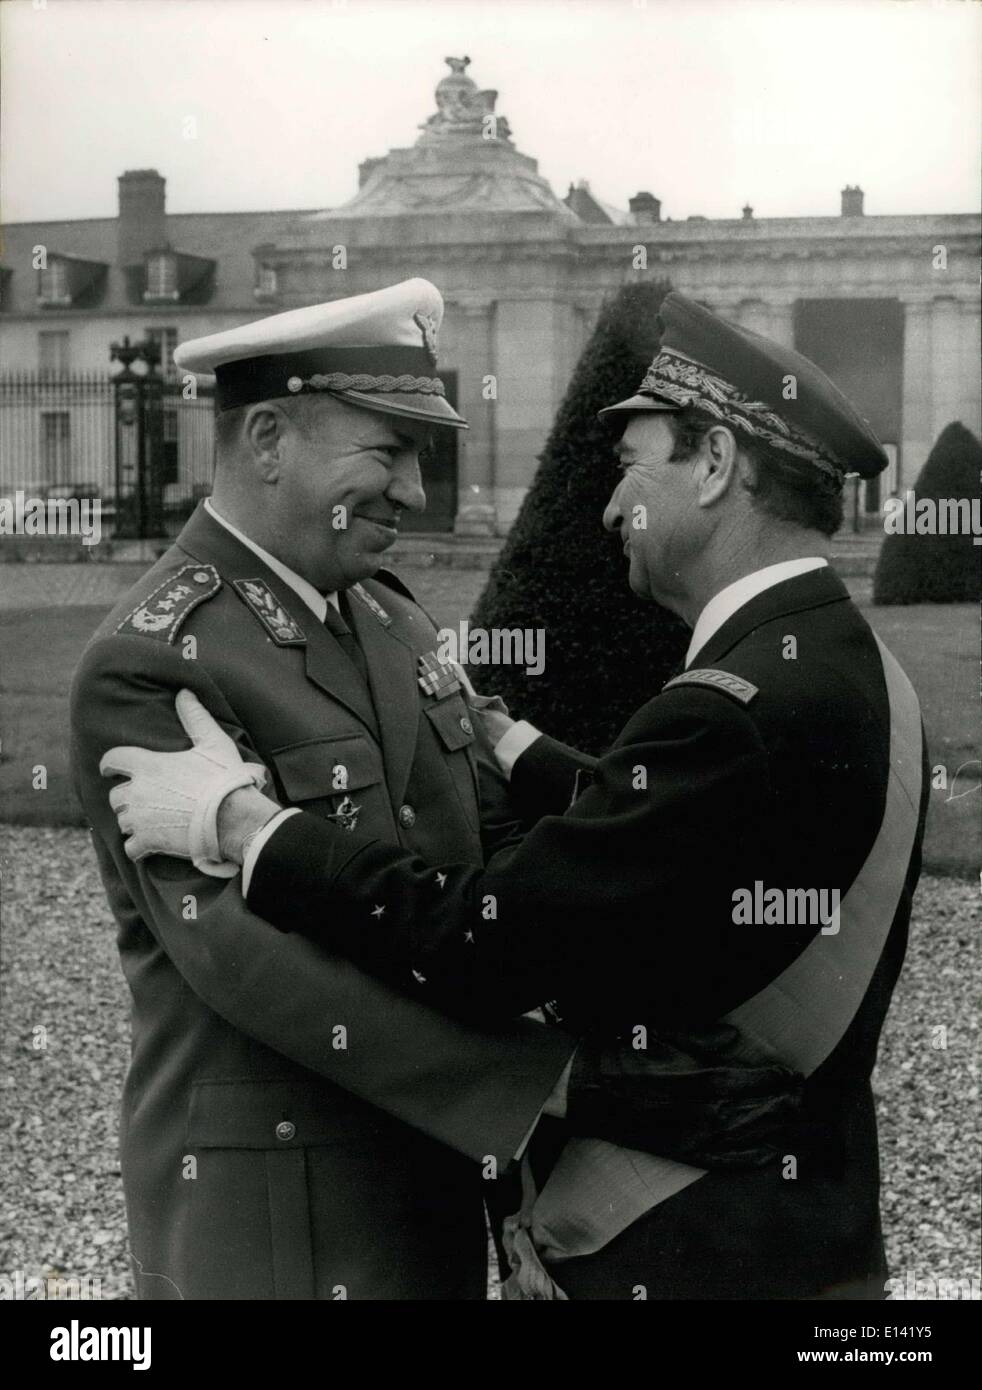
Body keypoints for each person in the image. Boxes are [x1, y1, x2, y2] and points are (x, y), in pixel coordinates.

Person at [105, 292, 929, 1301]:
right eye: (390, 449)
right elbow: (250, 966)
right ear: (268, 438)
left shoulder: (393, 621)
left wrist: (251, 825)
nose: (416, 490)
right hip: (294, 1206)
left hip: (461, 1180)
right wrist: (553, 1082)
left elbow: (520, 875)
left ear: (714, 466)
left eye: (421, 452)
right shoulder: (153, 657)